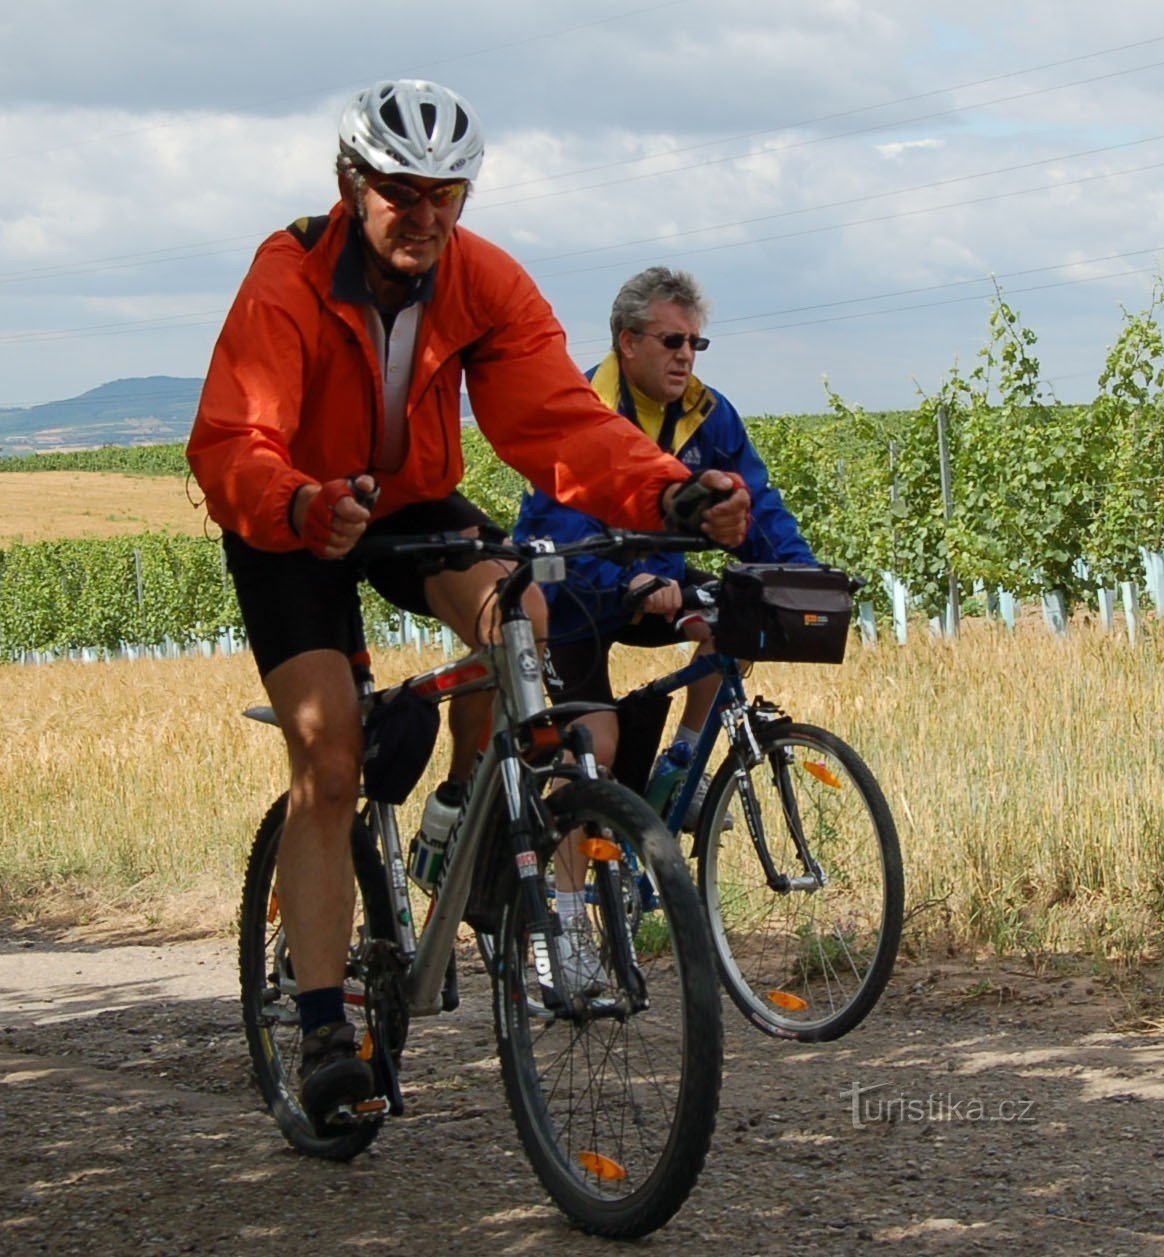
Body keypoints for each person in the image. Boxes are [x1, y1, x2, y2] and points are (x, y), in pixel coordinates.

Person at [187, 83, 749, 1134]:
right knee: (331, 755)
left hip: (405, 502)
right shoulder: (286, 280)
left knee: (519, 609)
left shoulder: (481, 279)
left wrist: (665, 491)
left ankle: (458, 820)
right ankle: (321, 1026)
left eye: (448, 193)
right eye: (403, 192)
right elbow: (231, 439)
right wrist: (299, 503)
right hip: (292, 521)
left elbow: (557, 420)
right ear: (351, 184)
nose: (427, 215)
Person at [515, 266, 815, 826]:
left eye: (695, 343)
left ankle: (681, 770)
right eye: (672, 341)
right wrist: (625, 580)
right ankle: (567, 903)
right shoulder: (583, 409)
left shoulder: (708, 412)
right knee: (593, 750)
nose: (686, 355)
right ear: (627, 343)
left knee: (743, 617)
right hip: (571, 598)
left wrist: (802, 574)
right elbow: (560, 529)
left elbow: (755, 506)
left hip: (659, 585)